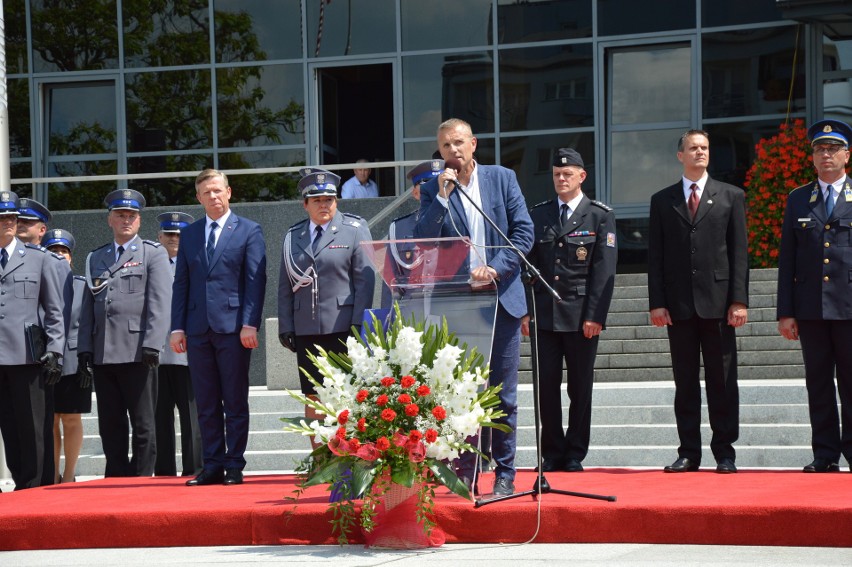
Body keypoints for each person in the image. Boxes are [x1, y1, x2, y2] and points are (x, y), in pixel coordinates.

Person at [414, 118, 534, 496]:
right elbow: (422, 239)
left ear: (474, 144)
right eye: (446, 146)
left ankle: (505, 473)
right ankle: (465, 472)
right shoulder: (437, 188)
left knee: (503, 394)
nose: (454, 151)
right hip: (460, 303)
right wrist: (443, 197)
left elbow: (523, 233)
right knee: (462, 394)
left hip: (501, 300)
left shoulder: (502, 178)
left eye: (459, 143)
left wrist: (496, 269)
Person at [648, 129, 749, 474]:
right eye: (693, 148)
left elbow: (739, 254)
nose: (700, 153)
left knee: (722, 381)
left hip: (719, 305)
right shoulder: (663, 200)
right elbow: (656, 257)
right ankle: (689, 451)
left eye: (704, 148)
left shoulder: (731, 196)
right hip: (679, 307)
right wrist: (657, 303)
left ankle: (725, 452)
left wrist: (738, 300)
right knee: (685, 383)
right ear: (681, 155)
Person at [521, 148, 618, 473]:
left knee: (580, 386)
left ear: (581, 176)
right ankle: (552, 452)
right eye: (556, 175)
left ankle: (575, 451)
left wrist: (595, 316)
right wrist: (525, 310)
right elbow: (528, 265)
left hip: (580, 317)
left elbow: (604, 272)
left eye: (567, 174)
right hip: (544, 316)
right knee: (546, 387)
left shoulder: (599, 215)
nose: (561, 179)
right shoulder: (540, 214)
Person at [170, 169, 267, 487]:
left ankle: (234, 464)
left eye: (217, 190)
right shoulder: (191, 234)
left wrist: (249, 323)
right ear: (199, 198)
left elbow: (255, 281)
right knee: (206, 400)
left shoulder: (249, 231)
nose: (213, 196)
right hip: (198, 329)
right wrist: (177, 327)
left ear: (229, 192)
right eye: (206, 193)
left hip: (234, 328)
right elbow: (181, 282)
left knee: (235, 399)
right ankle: (211, 464)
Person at [78, 189, 172, 477]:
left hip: (138, 352)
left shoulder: (152, 253)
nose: (126, 220)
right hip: (104, 353)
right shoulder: (97, 256)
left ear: (139, 221)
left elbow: (160, 302)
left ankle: (142, 479)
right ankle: (115, 476)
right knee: (110, 424)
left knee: (143, 424)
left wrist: (153, 344)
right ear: (110, 220)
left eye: (131, 215)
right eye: (120, 215)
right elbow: (87, 307)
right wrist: (84, 349)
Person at [278, 168, 375, 447]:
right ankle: (321, 458)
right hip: (306, 328)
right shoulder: (293, 235)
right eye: (317, 200)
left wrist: (360, 322)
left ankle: (347, 455)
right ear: (305, 204)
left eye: (329, 199)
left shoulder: (355, 230)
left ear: (337, 201)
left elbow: (365, 282)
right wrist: (286, 325)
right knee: (313, 395)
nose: (324, 205)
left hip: (344, 328)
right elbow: (285, 285)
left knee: (345, 395)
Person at [777, 118, 852, 473]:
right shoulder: (797, 199)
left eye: (834, 149)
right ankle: (825, 454)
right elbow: (787, 259)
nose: (826, 155)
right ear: (812, 157)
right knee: (818, 384)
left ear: (847, 155)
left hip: (850, 308)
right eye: (820, 149)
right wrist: (785, 312)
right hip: (810, 309)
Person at [0, 191, 68, 490]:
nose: (8, 223)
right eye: (2, 218)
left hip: (28, 357)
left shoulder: (40, 259)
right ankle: (19, 482)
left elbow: (55, 310)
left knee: (33, 428)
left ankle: (35, 487)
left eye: (12, 218)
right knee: (9, 428)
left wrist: (55, 350)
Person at [154, 212, 203, 478]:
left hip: (188, 353)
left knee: (192, 416)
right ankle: (163, 471)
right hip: (157, 354)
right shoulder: (150, 263)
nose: (174, 239)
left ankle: (194, 468)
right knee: (160, 417)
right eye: (169, 234)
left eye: (179, 235)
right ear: (159, 237)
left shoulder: (197, 262)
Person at [42, 229, 92, 484]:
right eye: (53, 251)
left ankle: (70, 475)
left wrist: (87, 359)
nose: (59, 255)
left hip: (74, 362)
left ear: (72, 257)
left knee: (71, 419)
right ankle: (51, 474)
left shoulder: (83, 285)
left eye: (64, 251)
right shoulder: (38, 282)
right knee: (49, 421)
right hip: (44, 360)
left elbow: (88, 325)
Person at [381, 159, 443, 308]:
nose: (435, 190)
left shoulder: (460, 223)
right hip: (413, 314)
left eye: (440, 184)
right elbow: (391, 283)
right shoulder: (399, 228)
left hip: (451, 308)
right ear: (415, 193)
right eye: (428, 186)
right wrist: (387, 324)